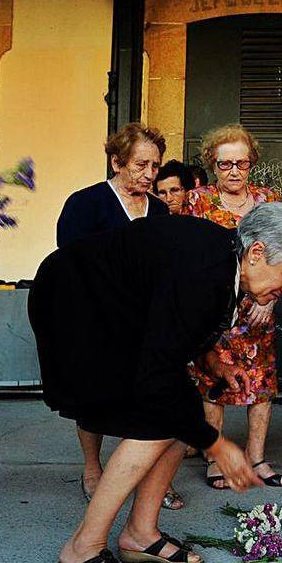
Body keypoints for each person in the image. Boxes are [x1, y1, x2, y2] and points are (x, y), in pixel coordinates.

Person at [30, 202, 282, 563]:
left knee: (177, 410)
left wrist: (213, 360)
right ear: (257, 251)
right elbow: (158, 372)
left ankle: (140, 534)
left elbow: (170, 319)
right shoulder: (204, 273)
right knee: (156, 417)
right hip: (74, 306)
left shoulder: (223, 262)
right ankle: (81, 549)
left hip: (111, 307)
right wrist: (217, 445)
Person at [56, 122, 168, 502]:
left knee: (143, 399)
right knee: (95, 397)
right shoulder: (86, 204)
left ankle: (143, 478)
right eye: (141, 165)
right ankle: (93, 470)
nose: (149, 175)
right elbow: (70, 263)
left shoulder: (161, 210)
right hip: (97, 317)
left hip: (145, 321)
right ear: (117, 162)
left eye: (155, 166)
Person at [186, 125, 282, 489]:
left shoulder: (268, 201)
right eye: (225, 164)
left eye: (241, 164)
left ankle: (256, 458)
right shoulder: (197, 201)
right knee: (213, 380)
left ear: (252, 164)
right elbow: (189, 258)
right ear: (212, 165)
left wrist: (271, 299)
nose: (234, 171)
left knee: (260, 386)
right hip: (213, 309)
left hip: (258, 309)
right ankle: (217, 458)